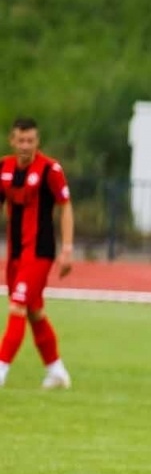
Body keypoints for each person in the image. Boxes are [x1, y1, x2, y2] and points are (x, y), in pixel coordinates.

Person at [0, 117, 74, 390]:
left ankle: (1, 370)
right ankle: (56, 371)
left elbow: (65, 206)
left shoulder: (50, 169)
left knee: (17, 306)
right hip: (15, 253)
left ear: (37, 141)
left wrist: (67, 249)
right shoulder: (3, 168)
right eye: (21, 140)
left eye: (30, 140)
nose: (25, 146)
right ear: (12, 141)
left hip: (40, 253)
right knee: (34, 311)